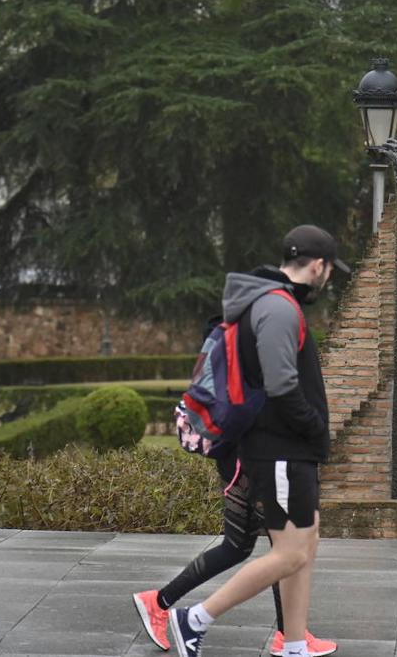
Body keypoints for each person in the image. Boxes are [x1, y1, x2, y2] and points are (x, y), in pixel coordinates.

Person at [167, 224, 347, 657]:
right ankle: (194, 619)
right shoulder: (278, 308)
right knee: (289, 553)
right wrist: (314, 427)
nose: (328, 280)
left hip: (289, 450)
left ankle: (296, 643)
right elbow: (282, 386)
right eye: (329, 271)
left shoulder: (271, 303)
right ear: (318, 266)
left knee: (307, 541)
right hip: (281, 449)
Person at [131, 447, 337, 655]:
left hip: (235, 461)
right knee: (285, 550)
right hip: (260, 462)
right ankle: (286, 635)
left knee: (236, 546)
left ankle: (158, 601)